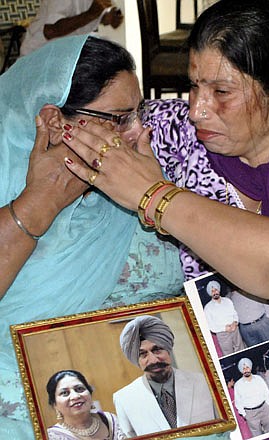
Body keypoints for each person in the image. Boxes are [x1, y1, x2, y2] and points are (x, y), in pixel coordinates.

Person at [61, 0, 269, 437]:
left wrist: (155, 197)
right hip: (218, 369)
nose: (197, 108)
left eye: (222, 93)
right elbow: (81, 127)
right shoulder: (175, 135)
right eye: (193, 86)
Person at [0, 34, 184, 439]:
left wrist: (157, 197)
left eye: (139, 112)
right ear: (54, 121)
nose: (138, 133)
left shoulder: (142, 174)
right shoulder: (5, 173)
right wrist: (36, 206)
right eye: (119, 118)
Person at [113, 315, 216, 437]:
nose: (153, 360)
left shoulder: (203, 382)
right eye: (143, 354)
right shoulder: (124, 399)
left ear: (168, 350)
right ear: (137, 360)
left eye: (157, 350)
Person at [20, 0, 123, 56]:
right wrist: (90, 14)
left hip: (62, 57)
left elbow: (99, 16)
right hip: (38, 55)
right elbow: (50, 31)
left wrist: (110, 17)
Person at [46, 370, 126, 440]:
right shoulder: (53, 436)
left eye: (80, 389)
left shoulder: (110, 420)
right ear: (54, 404)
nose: (75, 396)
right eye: (65, 393)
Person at [234, 358, 269, 437]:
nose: (246, 370)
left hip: (264, 409)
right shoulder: (238, 385)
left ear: (251, 368)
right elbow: (238, 402)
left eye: (247, 367)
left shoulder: (258, 379)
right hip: (250, 414)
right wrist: (244, 414)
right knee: (257, 435)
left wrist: (268, 404)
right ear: (241, 370)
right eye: (243, 368)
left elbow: (266, 392)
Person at [203, 280, 245, 355]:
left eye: (216, 290)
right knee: (228, 353)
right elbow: (210, 326)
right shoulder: (208, 308)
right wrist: (224, 328)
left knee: (241, 349)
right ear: (210, 293)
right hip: (222, 334)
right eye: (212, 291)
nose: (215, 292)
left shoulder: (227, 301)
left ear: (218, 290)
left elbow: (234, 313)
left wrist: (235, 323)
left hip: (235, 329)